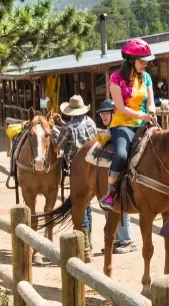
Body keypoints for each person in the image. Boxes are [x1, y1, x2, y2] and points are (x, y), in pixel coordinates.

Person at [99, 38, 157, 211]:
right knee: (122, 155)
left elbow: (151, 102)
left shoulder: (146, 77)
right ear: (131, 61)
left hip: (144, 122)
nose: (145, 65)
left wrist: (152, 112)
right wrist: (142, 115)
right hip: (122, 124)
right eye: (141, 61)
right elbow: (121, 108)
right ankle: (111, 192)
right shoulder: (116, 78)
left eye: (146, 61)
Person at [54, 95, 97, 262]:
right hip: (93, 166)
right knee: (89, 206)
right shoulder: (91, 122)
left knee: (80, 206)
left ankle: (85, 247)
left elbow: (58, 147)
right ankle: (89, 244)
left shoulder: (68, 127)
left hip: (77, 169)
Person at [97, 99, 137, 254]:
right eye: (102, 114)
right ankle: (118, 239)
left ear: (115, 113)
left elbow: (121, 154)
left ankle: (127, 239)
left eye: (106, 113)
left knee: (120, 197)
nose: (103, 116)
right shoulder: (115, 127)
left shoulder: (120, 128)